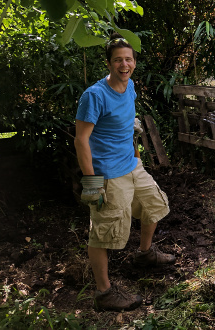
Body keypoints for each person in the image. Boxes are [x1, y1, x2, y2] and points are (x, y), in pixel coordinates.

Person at [74, 33, 175, 312]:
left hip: (131, 165)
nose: (124, 64)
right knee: (103, 232)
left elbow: (123, 124)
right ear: (108, 63)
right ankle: (104, 292)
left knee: (154, 206)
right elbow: (81, 139)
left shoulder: (129, 87)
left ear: (134, 62)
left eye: (128, 59)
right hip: (107, 174)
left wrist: (135, 147)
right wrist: (92, 183)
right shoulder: (94, 95)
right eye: (118, 60)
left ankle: (144, 255)